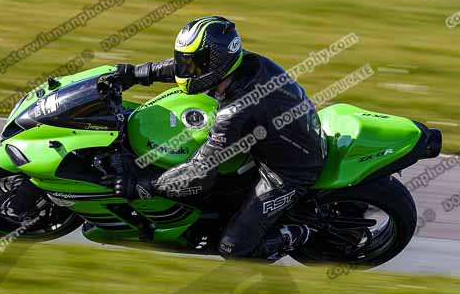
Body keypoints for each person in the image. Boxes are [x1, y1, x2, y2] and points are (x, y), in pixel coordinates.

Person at [107, 16, 327, 260]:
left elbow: (200, 175)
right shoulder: (243, 64)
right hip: (277, 136)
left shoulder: (234, 113)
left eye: (192, 62)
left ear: (216, 63)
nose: (185, 67)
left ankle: (301, 232)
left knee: (233, 248)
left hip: (288, 172)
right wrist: (138, 74)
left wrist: (144, 186)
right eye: (185, 60)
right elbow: (184, 70)